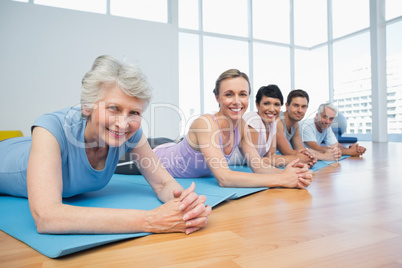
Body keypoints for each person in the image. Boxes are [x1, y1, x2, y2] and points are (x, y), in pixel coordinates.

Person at [0, 55, 211, 235]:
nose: (123, 123)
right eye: (113, 108)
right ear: (87, 106)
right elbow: (47, 216)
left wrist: (186, 205)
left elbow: (163, 183)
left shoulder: (131, 133)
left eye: (134, 112)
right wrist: (152, 220)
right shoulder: (49, 129)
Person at [154, 69, 314, 189]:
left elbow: (257, 165)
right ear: (217, 97)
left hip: (175, 147)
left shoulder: (241, 125)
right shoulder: (205, 123)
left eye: (243, 94)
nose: (237, 101)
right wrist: (282, 179)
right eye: (229, 94)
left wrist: (293, 174)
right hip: (157, 159)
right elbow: (224, 178)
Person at [229, 84, 316, 168]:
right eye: (266, 103)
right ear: (257, 105)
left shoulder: (272, 123)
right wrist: (296, 159)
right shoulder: (253, 121)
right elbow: (254, 161)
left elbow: (271, 157)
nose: (271, 109)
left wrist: (304, 159)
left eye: (276, 104)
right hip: (227, 166)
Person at [276, 90, 341, 161]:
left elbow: (301, 150)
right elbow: (288, 152)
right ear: (287, 106)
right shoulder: (278, 121)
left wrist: (332, 152)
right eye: (296, 105)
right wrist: (325, 156)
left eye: (303, 106)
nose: (300, 110)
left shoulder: (295, 125)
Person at [300, 103, 367, 157]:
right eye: (324, 117)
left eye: (331, 118)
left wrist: (353, 149)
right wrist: (351, 151)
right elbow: (317, 149)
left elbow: (336, 145)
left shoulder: (327, 127)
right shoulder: (307, 125)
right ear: (317, 116)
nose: (327, 121)